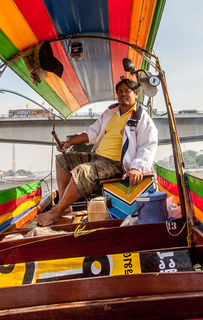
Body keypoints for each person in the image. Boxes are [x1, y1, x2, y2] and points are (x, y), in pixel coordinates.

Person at [36, 78, 158, 226]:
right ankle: (65, 204)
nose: (123, 94)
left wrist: (137, 168)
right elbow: (92, 132)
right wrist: (69, 143)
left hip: (116, 164)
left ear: (136, 94)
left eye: (127, 91)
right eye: (120, 91)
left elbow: (148, 146)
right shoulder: (111, 112)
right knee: (63, 160)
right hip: (97, 157)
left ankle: (56, 212)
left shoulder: (142, 118)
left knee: (83, 171)